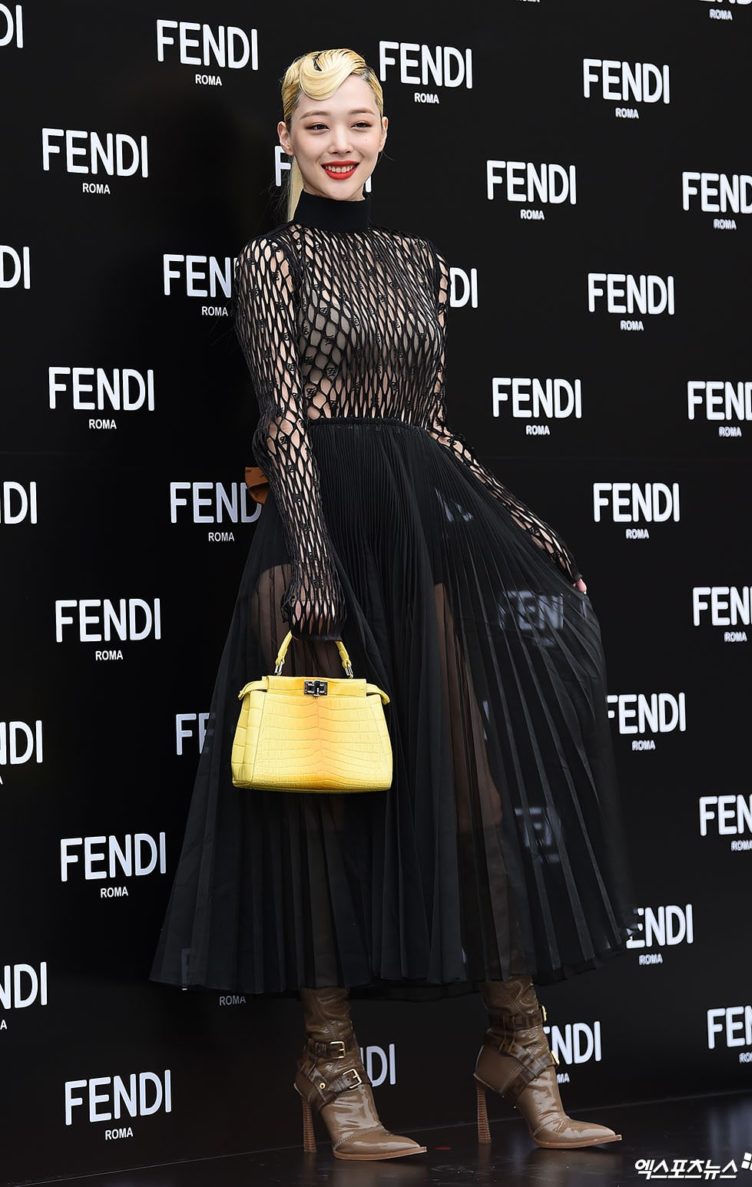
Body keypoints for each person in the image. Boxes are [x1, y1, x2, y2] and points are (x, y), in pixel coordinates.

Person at [150, 47, 642, 1161]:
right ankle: (331, 1070)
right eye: (318, 125)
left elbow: (430, 425)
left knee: (474, 794)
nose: (340, 144)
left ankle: (520, 1048)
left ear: (384, 134)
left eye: (359, 123)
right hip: (314, 541)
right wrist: (314, 557)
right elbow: (284, 418)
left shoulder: (418, 261)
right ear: (286, 138)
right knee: (319, 810)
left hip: (419, 534)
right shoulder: (270, 262)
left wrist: (525, 523)